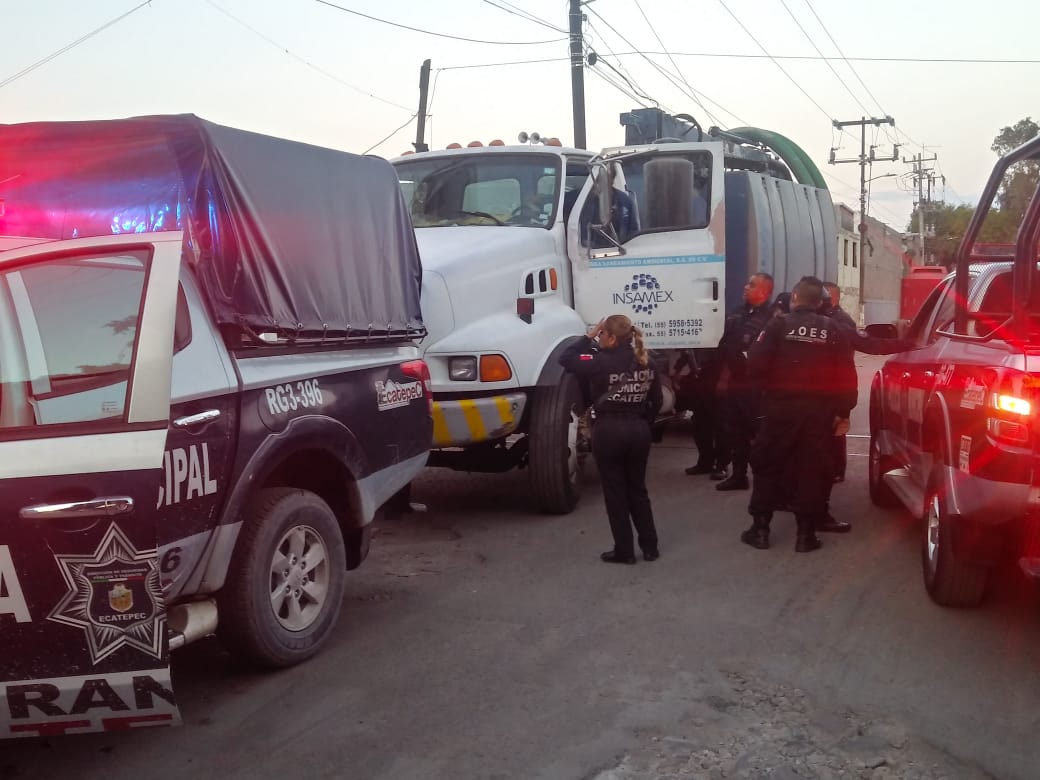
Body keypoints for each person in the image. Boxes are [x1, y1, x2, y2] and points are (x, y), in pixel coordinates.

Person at [740, 277, 854, 552]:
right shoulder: (834, 329)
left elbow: (754, 363)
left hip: (780, 409)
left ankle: (761, 530)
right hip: (818, 412)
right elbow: (847, 375)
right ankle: (805, 535)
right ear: (819, 303)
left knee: (768, 466)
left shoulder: (778, 324)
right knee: (812, 470)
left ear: (794, 297)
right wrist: (843, 411)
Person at [560, 314, 663, 564]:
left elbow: (565, 358)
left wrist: (587, 337)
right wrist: (640, 420)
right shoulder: (648, 361)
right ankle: (650, 548)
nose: (600, 337)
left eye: (603, 334)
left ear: (612, 338)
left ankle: (625, 551)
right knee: (638, 490)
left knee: (616, 493)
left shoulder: (597, 360)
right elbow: (657, 401)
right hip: (639, 431)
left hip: (609, 431)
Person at [715, 272, 775, 491]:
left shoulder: (774, 318)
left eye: (751, 284)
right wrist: (723, 378)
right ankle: (739, 475)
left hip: (757, 387)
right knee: (734, 431)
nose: (745, 287)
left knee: (761, 434)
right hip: (735, 383)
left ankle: (767, 480)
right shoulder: (737, 314)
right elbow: (726, 349)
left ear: (764, 291)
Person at [683, 348, 730, 479]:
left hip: (717, 378)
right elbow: (686, 348)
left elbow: (732, 354)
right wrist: (677, 370)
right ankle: (705, 462)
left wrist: (724, 379)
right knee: (700, 423)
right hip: (699, 378)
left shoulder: (726, 330)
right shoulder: (698, 330)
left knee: (721, 425)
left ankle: (722, 465)